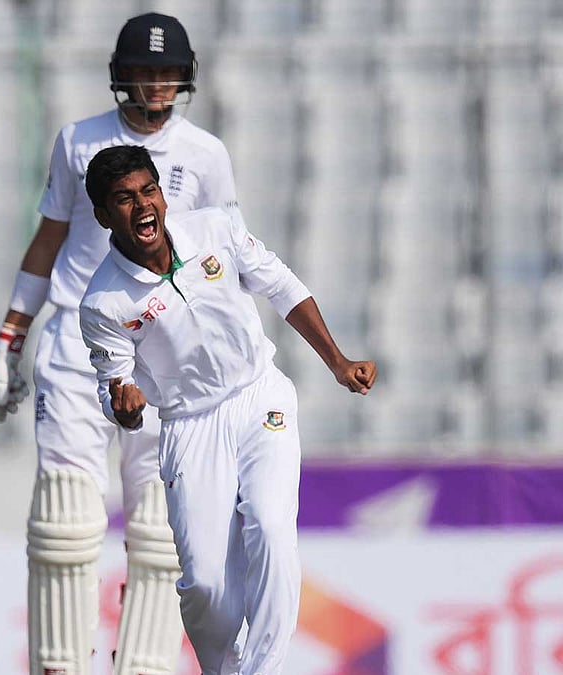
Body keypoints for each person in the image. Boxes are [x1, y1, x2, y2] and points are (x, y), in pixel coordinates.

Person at [0, 13, 241, 674]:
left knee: (159, 524)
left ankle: (143, 667)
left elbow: (224, 257)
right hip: (74, 331)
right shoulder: (79, 141)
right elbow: (49, 240)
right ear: (121, 76)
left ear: (185, 77)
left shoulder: (206, 155)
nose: (155, 85)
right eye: (144, 72)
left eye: (167, 72)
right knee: (65, 522)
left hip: (166, 342)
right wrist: (13, 331)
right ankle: (60, 665)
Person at [77, 144, 377, 674]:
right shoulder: (104, 302)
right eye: (123, 199)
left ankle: (263, 670)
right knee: (207, 586)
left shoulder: (215, 228)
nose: (142, 205)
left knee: (269, 523)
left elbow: (279, 285)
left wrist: (337, 361)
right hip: (190, 426)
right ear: (104, 216)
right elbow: (114, 386)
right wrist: (122, 407)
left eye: (149, 191)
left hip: (259, 396)